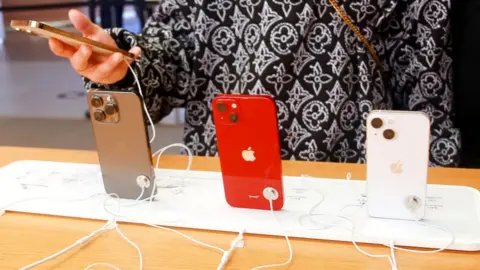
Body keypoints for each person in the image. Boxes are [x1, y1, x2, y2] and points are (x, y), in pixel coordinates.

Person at [49, 1, 460, 167]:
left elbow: (423, 75)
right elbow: (175, 49)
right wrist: (122, 64)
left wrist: (429, 187)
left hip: (352, 175)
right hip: (225, 170)